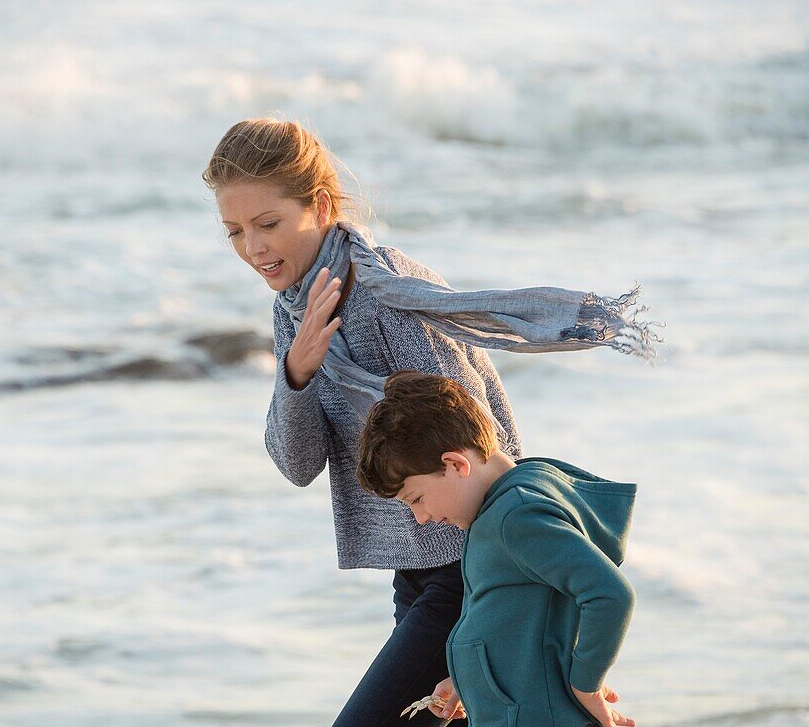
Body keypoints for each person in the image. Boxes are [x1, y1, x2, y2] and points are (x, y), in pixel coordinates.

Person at [202, 117, 657, 726]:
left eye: (268, 224)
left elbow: (476, 438)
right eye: (234, 231)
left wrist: (497, 603)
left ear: (321, 205)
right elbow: (296, 463)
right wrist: (297, 372)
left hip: (468, 564)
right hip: (414, 567)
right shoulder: (296, 309)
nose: (253, 248)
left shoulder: (390, 293)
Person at [357, 370, 638, 727]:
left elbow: (611, 593)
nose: (421, 517)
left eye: (417, 499)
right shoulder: (503, 505)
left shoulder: (517, 517)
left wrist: (586, 684)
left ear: (456, 464)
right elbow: (515, 621)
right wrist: (467, 681)